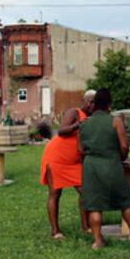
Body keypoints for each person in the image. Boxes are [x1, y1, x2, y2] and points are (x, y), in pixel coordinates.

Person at [78, 88, 130, 249]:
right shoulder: (115, 121)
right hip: (112, 164)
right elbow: (124, 146)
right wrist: (120, 157)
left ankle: (97, 240)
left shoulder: (84, 123)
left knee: (94, 205)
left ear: (94, 105)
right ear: (109, 104)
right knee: (124, 200)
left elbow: (80, 150)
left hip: (91, 166)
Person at [39, 90, 95, 239]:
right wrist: (78, 125)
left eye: (94, 102)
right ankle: (55, 231)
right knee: (55, 193)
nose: (91, 104)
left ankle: (85, 226)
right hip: (56, 157)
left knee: (85, 191)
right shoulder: (74, 112)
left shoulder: (93, 118)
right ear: (84, 101)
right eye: (89, 101)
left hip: (74, 161)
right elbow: (62, 131)